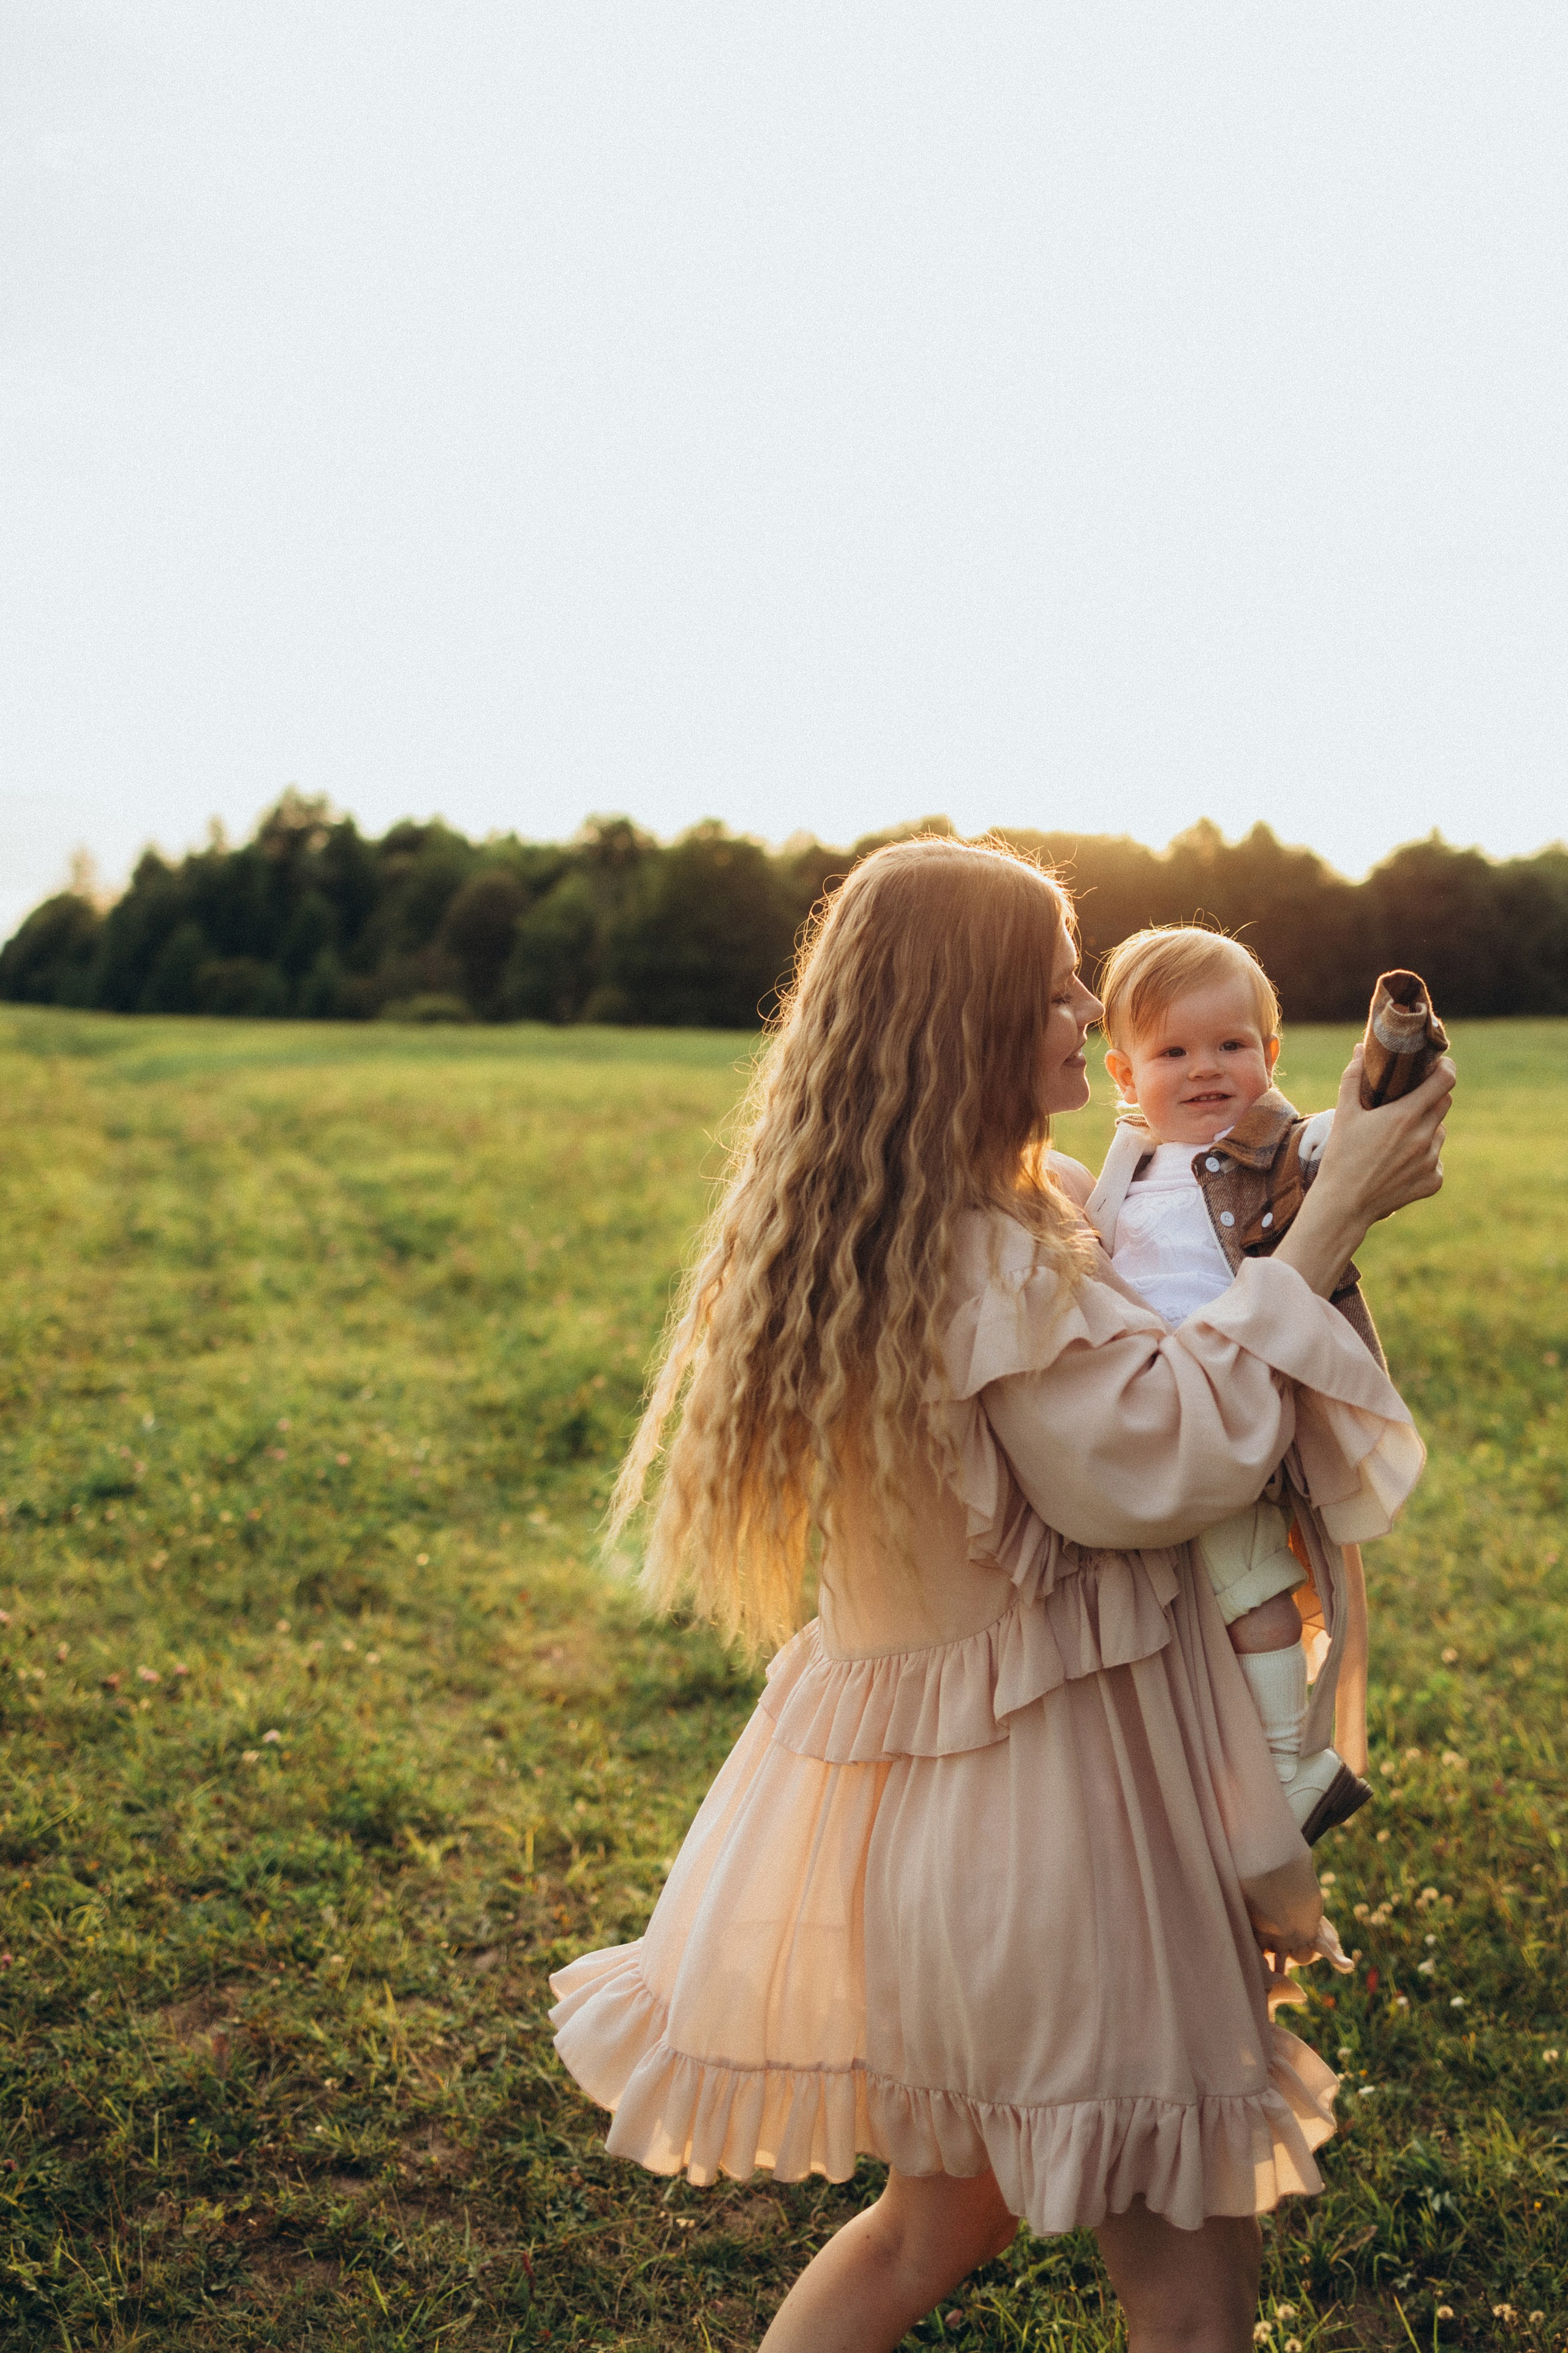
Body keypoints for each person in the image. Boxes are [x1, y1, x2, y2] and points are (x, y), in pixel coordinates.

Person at [549, 839, 1452, 2353]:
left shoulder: (927, 1220)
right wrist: (1334, 1211)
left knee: (932, 2220)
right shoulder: (986, 1252)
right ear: (963, 1018)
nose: (1083, 1003)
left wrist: (1301, 1179)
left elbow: (1154, 1366)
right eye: (1047, 984)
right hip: (1069, 1833)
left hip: (939, 1834)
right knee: (1187, 2264)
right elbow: (1158, 1464)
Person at [1082, 926, 1393, 1845]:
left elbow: (1342, 1145)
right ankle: (1223, 1764)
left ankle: (1287, 1764)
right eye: (1173, 1050)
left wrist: (1378, 1096)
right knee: (1200, 1597)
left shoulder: (1272, 1147)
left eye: (1232, 1044)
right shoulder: (1126, 1169)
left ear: (1270, 1056)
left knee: (1255, 1579)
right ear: (1125, 1075)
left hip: (1238, 1404)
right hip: (1152, 1408)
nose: (1206, 1067)